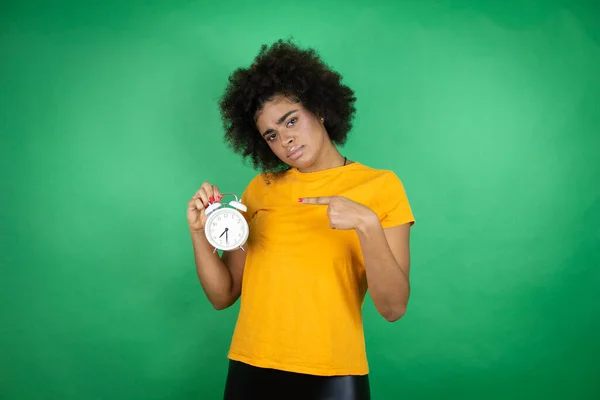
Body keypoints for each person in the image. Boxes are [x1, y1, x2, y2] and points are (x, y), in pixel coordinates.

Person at [187, 39, 415, 400]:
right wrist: (199, 234)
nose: (286, 139)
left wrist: (367, 225)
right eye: (272, 135)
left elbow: (393, 308)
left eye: (291, 120)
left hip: (333, 375)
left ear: (320, 109)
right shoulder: (261, 189)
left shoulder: (381, 186)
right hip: (251, 368)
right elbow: (224, 294)